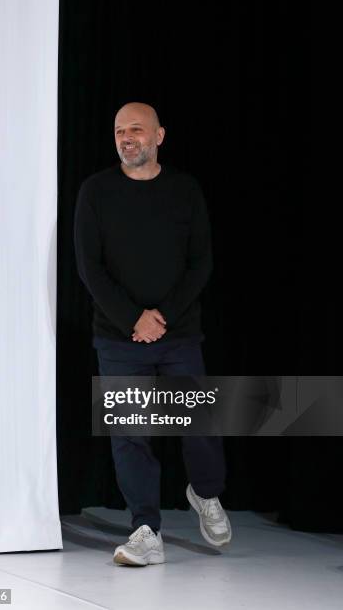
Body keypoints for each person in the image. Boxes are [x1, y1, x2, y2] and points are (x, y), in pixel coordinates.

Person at [74, 102, 232, 566]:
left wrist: (161, 315)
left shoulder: (185, 190)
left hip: (178, 333)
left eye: (136, 129)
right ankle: (146, 529)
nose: (127, 137)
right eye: (120, 130)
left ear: (159, 136)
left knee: (198, 424)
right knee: (130, 434)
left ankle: (205, 493)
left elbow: (200, 261)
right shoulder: (96, 191)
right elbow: (90, 267)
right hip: (118, 338)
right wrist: (132, 320)